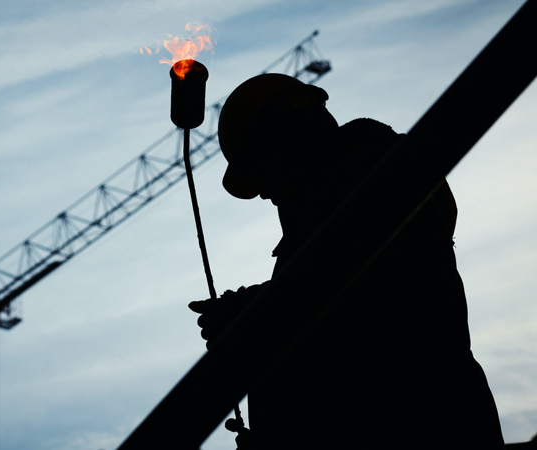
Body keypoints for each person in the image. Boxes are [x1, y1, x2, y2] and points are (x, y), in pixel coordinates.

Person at [189, 73, 504, 448]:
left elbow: (365, 307)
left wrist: (257, 314)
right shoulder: (326, 229)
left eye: (262, 169)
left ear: (285, 138)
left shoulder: (380, 181)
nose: (264, 193)